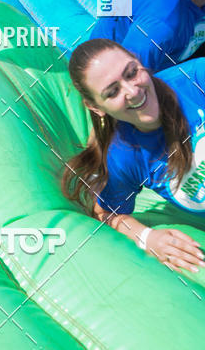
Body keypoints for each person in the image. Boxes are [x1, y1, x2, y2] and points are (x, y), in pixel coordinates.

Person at [62, 38, 205, 273]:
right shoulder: (123, 156)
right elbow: (106, 213)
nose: (132, 91)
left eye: (131, 73)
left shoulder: (195, 79)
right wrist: (147, 237)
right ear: (95, 107)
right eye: (112, 91)